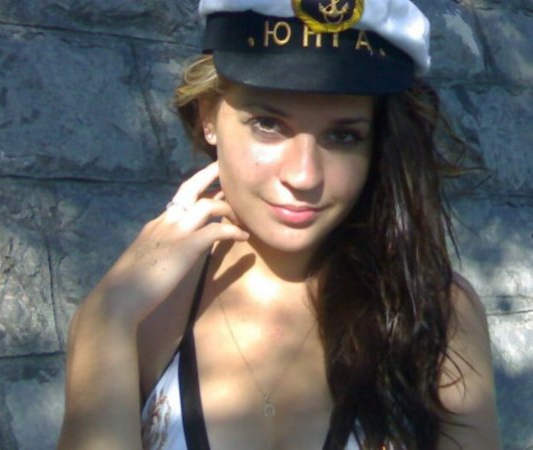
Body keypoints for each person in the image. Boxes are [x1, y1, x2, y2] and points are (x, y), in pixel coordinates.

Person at [58, 0, 501, 448]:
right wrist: (104, 318)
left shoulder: (434, 312)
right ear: (209, 116)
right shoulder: (143, 312)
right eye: (267, 124)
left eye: (342, 135)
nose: (304, 176)